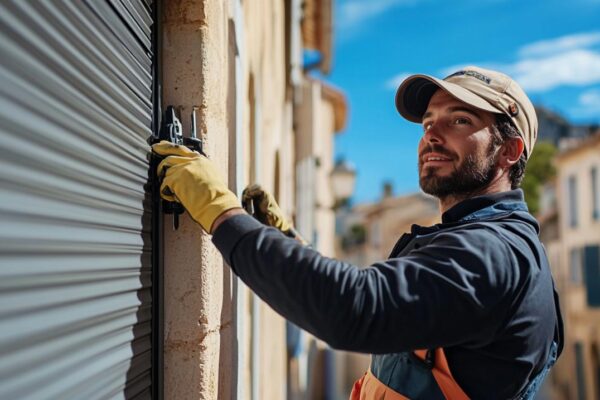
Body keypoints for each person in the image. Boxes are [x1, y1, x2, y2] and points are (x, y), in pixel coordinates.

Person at [152, 66, 563, 399]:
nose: (432, 135)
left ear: (510, 151)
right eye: (427, 122)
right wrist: (291, 244)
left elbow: (356, 307)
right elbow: (400, 310)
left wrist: (219, 211)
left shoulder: (493, 252)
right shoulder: (481, 241)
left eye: (460, 120)